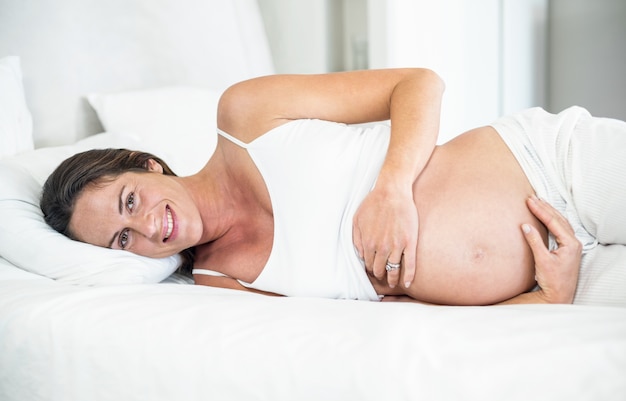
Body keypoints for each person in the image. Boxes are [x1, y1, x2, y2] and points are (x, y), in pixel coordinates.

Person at [41, 68, 623, 306]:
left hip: (552, 166)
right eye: (121, 240)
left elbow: (418, 85)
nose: (145, 227)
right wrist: (547, 301)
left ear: (149, 166)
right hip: (561, 283)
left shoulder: (245, 116)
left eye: (130, 201)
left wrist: (391, 190)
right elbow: (391, 312)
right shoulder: (223, 285)